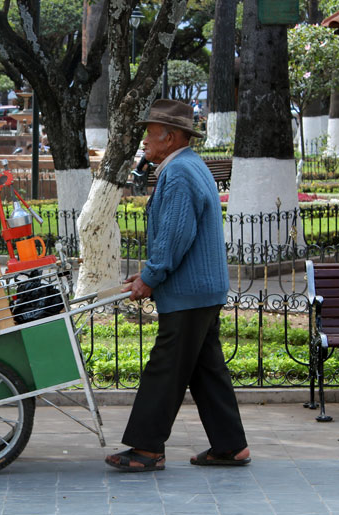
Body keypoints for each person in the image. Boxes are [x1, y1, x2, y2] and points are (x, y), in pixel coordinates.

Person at [105, 99, 250, 473]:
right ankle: (231, 446)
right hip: (201, 289)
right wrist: (147, 275)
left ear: (170, 137)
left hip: (189, 293)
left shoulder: (180, 173)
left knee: (164, 367)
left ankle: (146, 448)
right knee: (206, 368)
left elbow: (174, 235)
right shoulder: (186, 166)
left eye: (150, 134)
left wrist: (150, 278)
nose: (144, 141)